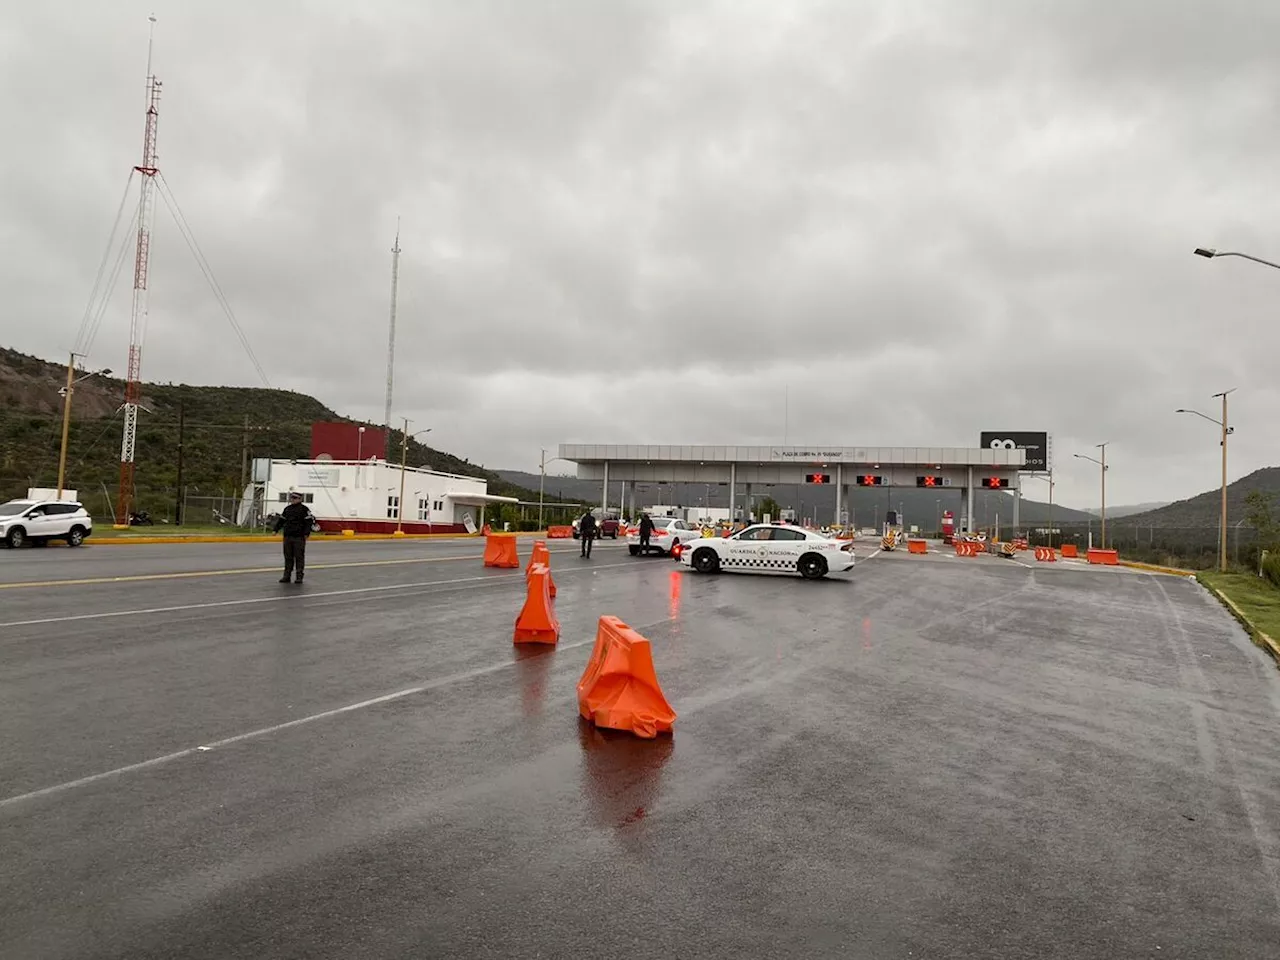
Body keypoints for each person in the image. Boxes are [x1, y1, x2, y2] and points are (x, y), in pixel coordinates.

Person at [273, 492, 314, 583]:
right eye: (292, 498)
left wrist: (307, 533)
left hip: (299, 537)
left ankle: (299, 576)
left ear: (300, 499)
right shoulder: (287, 509)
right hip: (288, 536)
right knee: (288, 557)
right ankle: (287, 576)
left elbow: (309, 522)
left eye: (295, 498)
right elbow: (281, 520)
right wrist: (275, 530)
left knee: (299, 557)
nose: (293, 499)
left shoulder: (304, 509)